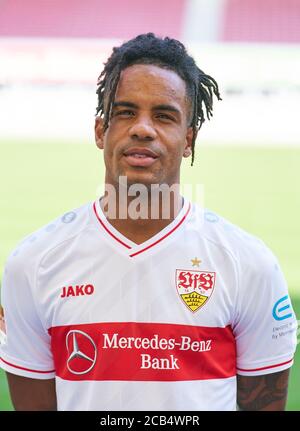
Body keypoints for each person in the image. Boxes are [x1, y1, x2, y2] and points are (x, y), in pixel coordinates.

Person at [0, 33, 297, 411]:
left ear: (188, 139)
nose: (142, 128)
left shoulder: (249, 264)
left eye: (164, 115)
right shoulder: (34, 263)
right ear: (99, 132)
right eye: (125, 112)